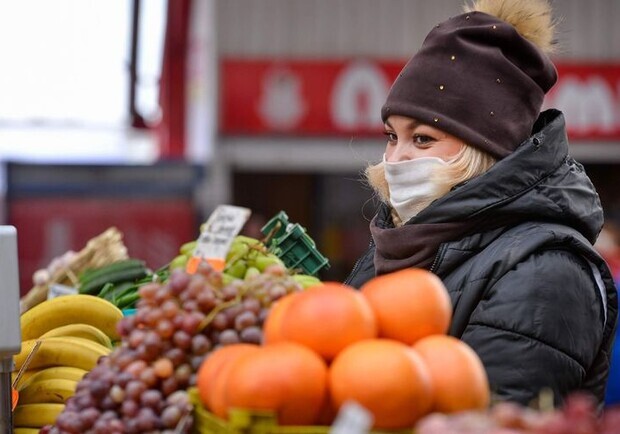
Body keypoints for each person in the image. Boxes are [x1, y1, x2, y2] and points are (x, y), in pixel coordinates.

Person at [345, 0, 618, 407]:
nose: (396, 158)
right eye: (391, 135)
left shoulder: (546, 271)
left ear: (484, 149)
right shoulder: (399, 242)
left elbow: (487, 415)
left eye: (422, 139)